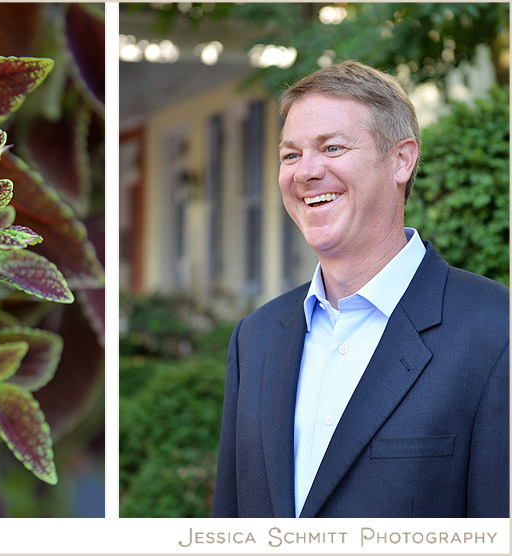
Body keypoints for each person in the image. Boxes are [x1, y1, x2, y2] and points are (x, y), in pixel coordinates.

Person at [212, 61, 509, 518]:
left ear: (401, 160)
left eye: (331, 147)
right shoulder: (256, 338)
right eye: (290, 155)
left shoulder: (495, 332)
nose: (306, 172)